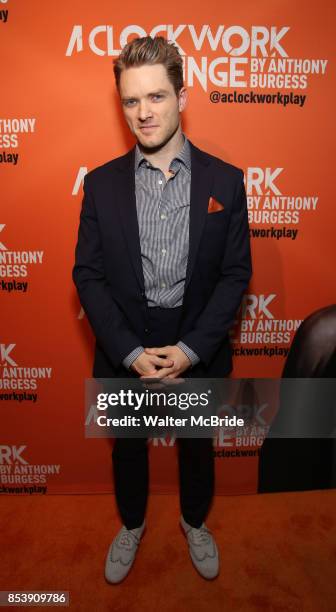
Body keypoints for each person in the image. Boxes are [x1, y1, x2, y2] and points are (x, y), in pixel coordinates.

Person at [73, 36, 252, 583]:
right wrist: (129, 352)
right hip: (127, 340)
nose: (144, 113)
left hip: (196, 340)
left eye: (156, 97)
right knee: (128, 452)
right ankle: (131, 524)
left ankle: (195, 522)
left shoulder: (226, 180)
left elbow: (235, 274)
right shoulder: (100, 185)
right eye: (131, 101)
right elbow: (88, 274)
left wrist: (192, 349)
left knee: (197, 450)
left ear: (183, 96)